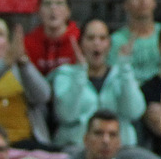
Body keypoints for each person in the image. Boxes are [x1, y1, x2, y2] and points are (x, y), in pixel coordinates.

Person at [50, 19, 145, 148]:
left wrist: (125, 68)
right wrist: (80, 73)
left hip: (121, 148)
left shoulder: (121, 73)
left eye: (102, 38)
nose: (97, 43)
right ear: (81, 44)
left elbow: (135, 112)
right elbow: (66, 115)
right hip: (77, 147)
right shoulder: (65, 74)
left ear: (109, 45)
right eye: (90, 38)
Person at [22, 0, 80, 79]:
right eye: (47, 3)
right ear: (39, 10)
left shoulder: (80, 40)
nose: (53, 8)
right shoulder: (27, 43)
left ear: (68, 11)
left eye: (59, 3)